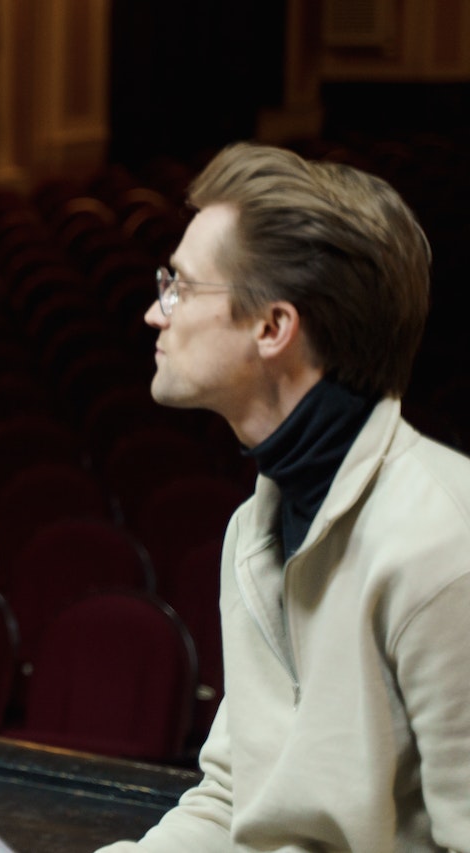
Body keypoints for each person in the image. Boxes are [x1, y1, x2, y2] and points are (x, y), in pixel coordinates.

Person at [96, 142, 470, 852]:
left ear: (273, 328)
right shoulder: (255, 530)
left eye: (179, 284)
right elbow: (233, 797)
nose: (155, 311)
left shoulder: (445, 544)